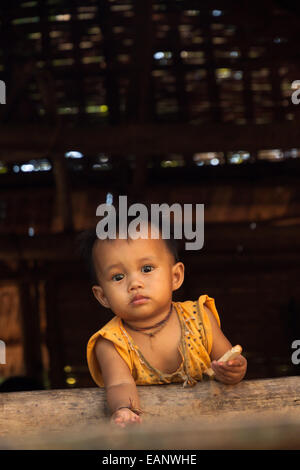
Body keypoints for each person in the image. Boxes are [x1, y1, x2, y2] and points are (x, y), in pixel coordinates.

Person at [80, 217, 247, 428]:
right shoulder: (111, 342)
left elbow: (228, 361)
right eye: (118, 276)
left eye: (147, 269)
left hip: (210, 429)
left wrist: (235, 370)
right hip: (153, 436)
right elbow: (120, 383)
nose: (135, 283)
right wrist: (125, 411)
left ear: (175, 276)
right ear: (102, 296)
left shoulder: (199, 318)